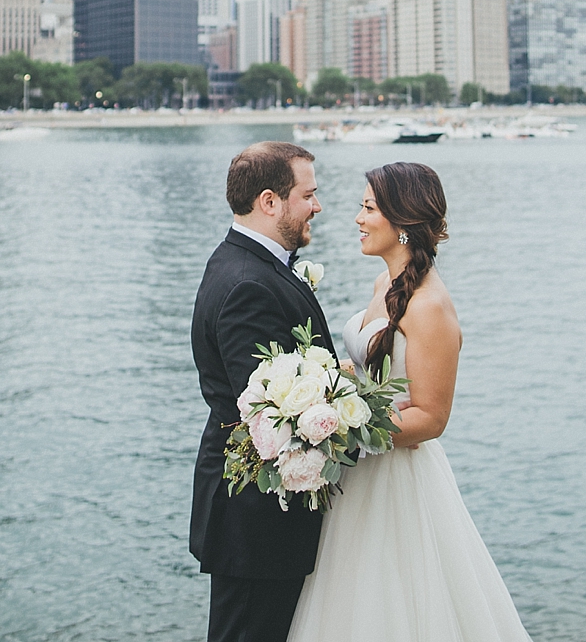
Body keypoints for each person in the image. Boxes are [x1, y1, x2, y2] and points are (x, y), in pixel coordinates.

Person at [287, 161, 532, 642]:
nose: (357, 218)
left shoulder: (430, 308)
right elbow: (371, 373)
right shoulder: (385, 286)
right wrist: (325, 391)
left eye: (368, 208)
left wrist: (341, 425)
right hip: (360, 476)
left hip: (399, 480)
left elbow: (431, 417)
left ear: (403, 224)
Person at [191, 141, 338, 642]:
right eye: (308, 195)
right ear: (270, 202)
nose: (317, 206)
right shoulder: (248, 283)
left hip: (257, 517)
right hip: (255, 519)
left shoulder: (247, 263)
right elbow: (267, 414)